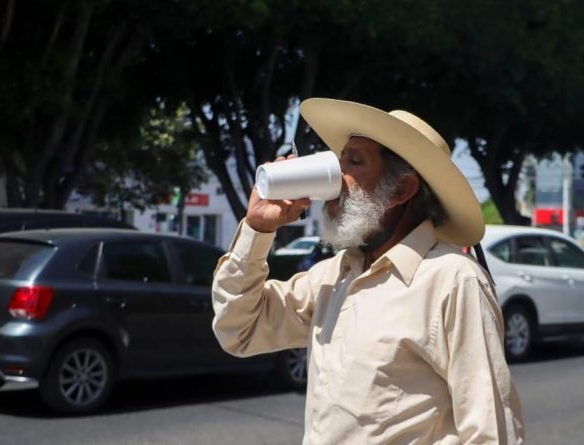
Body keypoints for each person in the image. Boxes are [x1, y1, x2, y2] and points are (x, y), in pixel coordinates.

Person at [211, 98, 525, 444]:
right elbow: (239, 330)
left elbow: (491, 434)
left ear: (401, 190)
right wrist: (257, 228)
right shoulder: (334, 276)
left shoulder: (453, 280)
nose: (335, 177)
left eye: (354, 162)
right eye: (339, 159)